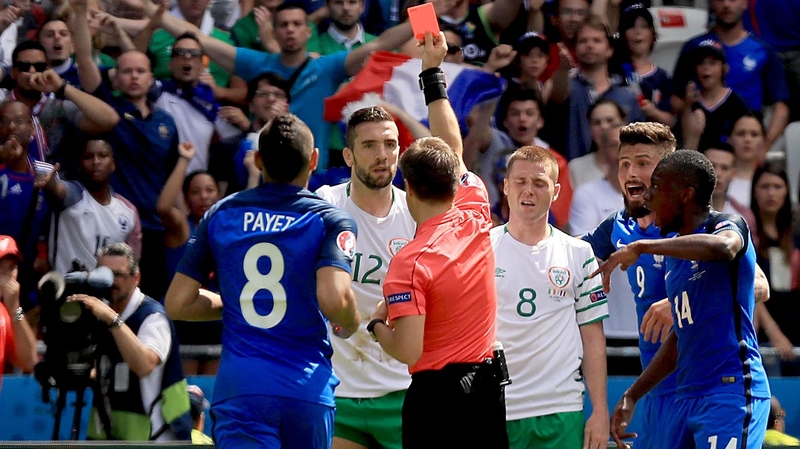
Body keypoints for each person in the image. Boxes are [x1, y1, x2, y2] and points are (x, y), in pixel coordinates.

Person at [166, 112, 361, 448]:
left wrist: (239, 305)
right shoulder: (331, 219)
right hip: (307, 387)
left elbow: (178, 303)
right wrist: (352, 320)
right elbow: (334, 300)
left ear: (257, 160)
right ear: (313, 160)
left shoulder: (221, 213)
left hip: (243, 388)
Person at [369, 32, 508, 448]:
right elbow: (452, 143)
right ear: (453, 179)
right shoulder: (474, 207)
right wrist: (432, 71)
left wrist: (378, 324)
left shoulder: (408, 265)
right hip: (487, 392)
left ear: (407, 187)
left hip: (437, 400)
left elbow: (408, 350)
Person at [600, 150, 771, 449]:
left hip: (730, 392)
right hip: (688, 394)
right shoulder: (675, 257)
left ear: (684, 195)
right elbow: (680, 337)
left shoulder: (727, 224)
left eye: (657, 188)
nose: (649, 197)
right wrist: (633, 394)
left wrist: (643, 246)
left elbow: (726, 247)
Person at [490, 145, 609, 449]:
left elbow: (593, 336)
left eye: (539, 183)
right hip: (497, 407)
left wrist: (600, 411)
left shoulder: (579, 253)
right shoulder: (482, 250)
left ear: (556, 191)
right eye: (520, 181)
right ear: (505, 186)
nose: (528, 190)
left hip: (561, 409)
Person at [315, 105, 416, 449]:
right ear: (348, 155)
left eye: (390, 144)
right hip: (337, 389)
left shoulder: (417, 216)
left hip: (402, 390)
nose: (382, 155)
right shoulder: (325, 205)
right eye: (369, 145)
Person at [582, 121, 678, 448]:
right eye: (624, 164)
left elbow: (757, 285)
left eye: (642, 163)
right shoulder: (618, 226)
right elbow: (566, 254)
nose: (631, 173)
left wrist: (680, 301)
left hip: (705, 384)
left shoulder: (698, 223)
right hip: (655, 389)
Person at [68, 243, 192, 441]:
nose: (110, 282)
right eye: (104, 274)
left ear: (136, 278)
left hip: (151, 437)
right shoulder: (100, 312)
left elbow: (144, 365)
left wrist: (112, 320)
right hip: (111, 433)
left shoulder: (152, 317)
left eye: (118, 275)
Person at [38, 140, 142, 275]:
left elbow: (132, 264)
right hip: (66, 290)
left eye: (103, 156)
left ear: (113, 164)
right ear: (79, 165)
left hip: (106, 293)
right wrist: (50, 183)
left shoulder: (129, 211)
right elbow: (58, 189)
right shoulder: (72, 196)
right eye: (88, 157)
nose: (96, 162)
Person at [0, 235, 37, 391]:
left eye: (12, 267)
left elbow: (29, 361)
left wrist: (15, 310)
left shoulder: (5, 313)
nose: (7, 274)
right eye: (0, 266)